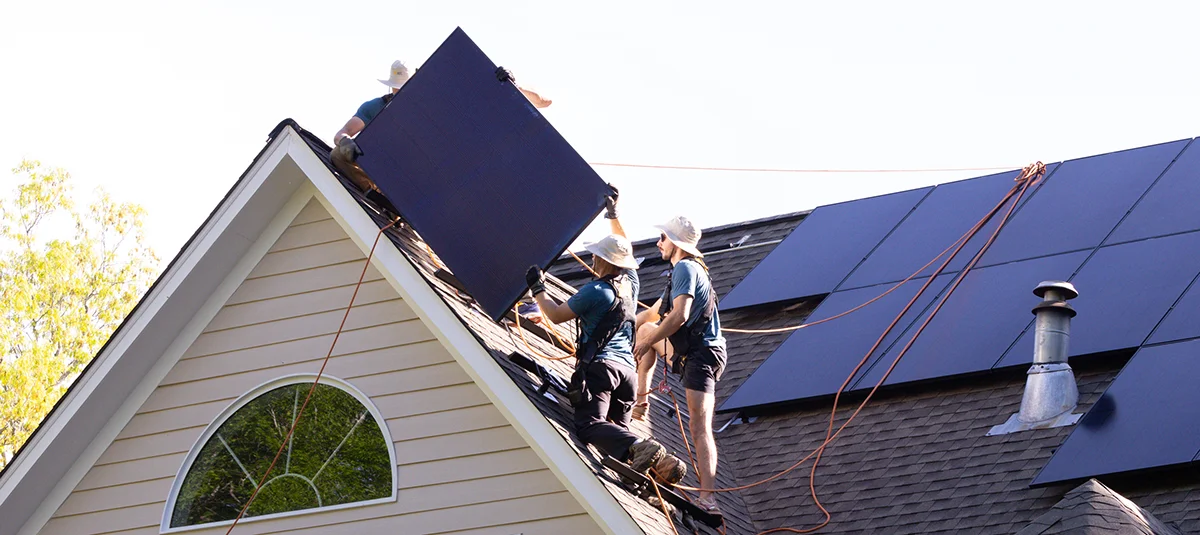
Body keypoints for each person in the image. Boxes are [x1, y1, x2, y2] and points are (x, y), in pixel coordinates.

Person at [525, 197, 686, 485]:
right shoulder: (631, 285)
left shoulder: (596, 290)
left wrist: (537, 287)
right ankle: (651, 468)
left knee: (589, 425)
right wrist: (613, 214)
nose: (592, 260)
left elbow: (555, 315)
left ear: (603, 260)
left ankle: (641, 448)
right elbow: (625, 244)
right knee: (618, 441)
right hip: (628, 375)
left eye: (596, 256)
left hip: (602, 369)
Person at [633, 215, 726, 513]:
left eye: (662, 237)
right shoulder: (683, 272)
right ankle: (641, 401)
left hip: (701, 355)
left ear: (675, 242)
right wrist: (621, 328)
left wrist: (647, 342)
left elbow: (680, 315)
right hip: (695, 353)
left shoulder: (686, 267)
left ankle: (708, 498)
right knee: (645, 331)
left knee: (699, 427)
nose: (658, 243)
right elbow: (653, 314)